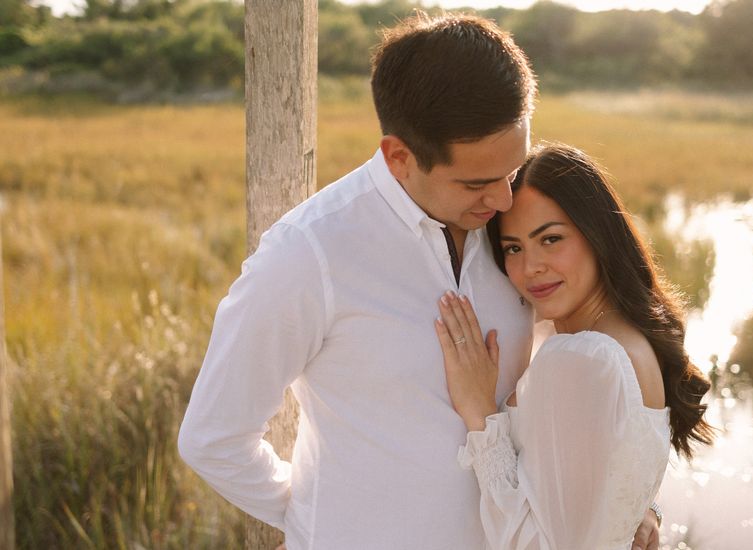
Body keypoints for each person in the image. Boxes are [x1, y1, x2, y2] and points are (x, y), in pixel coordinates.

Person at [178, 12, 660, 549]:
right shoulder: (307, 255)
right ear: (399, 157)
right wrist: (322, 520)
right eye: (477, 182)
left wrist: (619, 500)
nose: (503, 199)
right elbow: (213, 439)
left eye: (511, 170)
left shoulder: (511, 225)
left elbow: (577, 390)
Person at [434, 144, 714, 549]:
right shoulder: (628, 338)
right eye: (513, 248)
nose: (531, 268)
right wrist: (644, 512)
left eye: (550, 239)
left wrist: (480, 414)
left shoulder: (584, 357)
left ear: (597, 234)